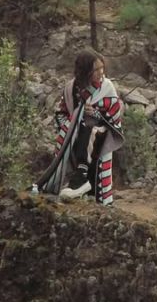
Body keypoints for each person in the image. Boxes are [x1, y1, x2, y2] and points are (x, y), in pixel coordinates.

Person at [34, 49, 123, 206]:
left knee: (89, 130)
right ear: (85, 70)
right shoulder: (71, 88)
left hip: (100, 133)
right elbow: (61, 112)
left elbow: (115, 114)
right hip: (75, 134)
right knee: (80, 129)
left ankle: (81, 177)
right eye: (95, 69)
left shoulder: (107, 87)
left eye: (102, 68)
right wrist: (70, 126)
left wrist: (95, 113)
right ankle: (74, 182)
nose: (100, 72)